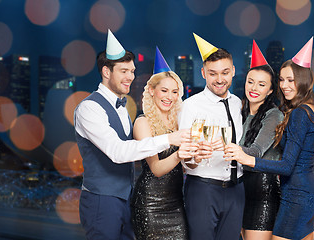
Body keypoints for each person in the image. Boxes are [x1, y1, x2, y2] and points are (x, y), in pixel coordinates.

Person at [74, 30, 187, 240]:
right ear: (106, 72)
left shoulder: (122, 108)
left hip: (128, 198)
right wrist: (170, 140)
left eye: (133, 71)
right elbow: (117, 152)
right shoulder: (89, 108)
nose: (130, 77)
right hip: (102, 200)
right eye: (124, 71)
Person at [224, 37, 314, 240]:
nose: (285, 85)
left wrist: (247, 159)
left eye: (291, 80)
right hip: (303, 193)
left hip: (297, 196)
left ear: (303, 82)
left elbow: (287, 166)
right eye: (282, 79)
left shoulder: (298, 114)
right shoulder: (308, 111)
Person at [177, 33, 244, 240]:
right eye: (213, 73)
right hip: (203, 189)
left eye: (225, 72)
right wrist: (195, 158)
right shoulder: (191, 106)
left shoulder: (238, 103)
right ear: (203, 73)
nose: (220, 79)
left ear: (233, 71)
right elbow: (184, 156)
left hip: (237, 188)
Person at [130, 47, 200, 240]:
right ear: (152, 91)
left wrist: (197, 157)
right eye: (164, 90)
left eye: (175, 92)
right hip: (150, 205)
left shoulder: (180, 121)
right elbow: (156, 169)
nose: (169, 97)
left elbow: (189, 165)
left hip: (176, 204)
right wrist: (179, 154)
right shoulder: (142, 123)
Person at [239, 40, 283, 240]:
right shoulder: (239, 111)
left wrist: (226, 149)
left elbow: (256, 152)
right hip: (240, 191)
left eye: (262, 84)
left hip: (263, 191)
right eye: (251, 81)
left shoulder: (274, 115)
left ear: (270, 90)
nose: (254, 88)